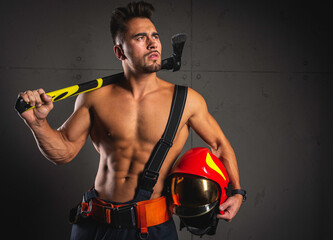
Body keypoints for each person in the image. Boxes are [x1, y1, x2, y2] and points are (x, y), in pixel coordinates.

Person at [17, 1, 244, 239]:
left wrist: (237, 192)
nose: (152, 42)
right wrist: (37, 123)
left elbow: (219, 145)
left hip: (152, 227)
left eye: (154, 36)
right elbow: (63, 153)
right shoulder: (95, 98)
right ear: (119, 52)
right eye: (140, 37)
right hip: (95, 224)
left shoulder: (187, 101)